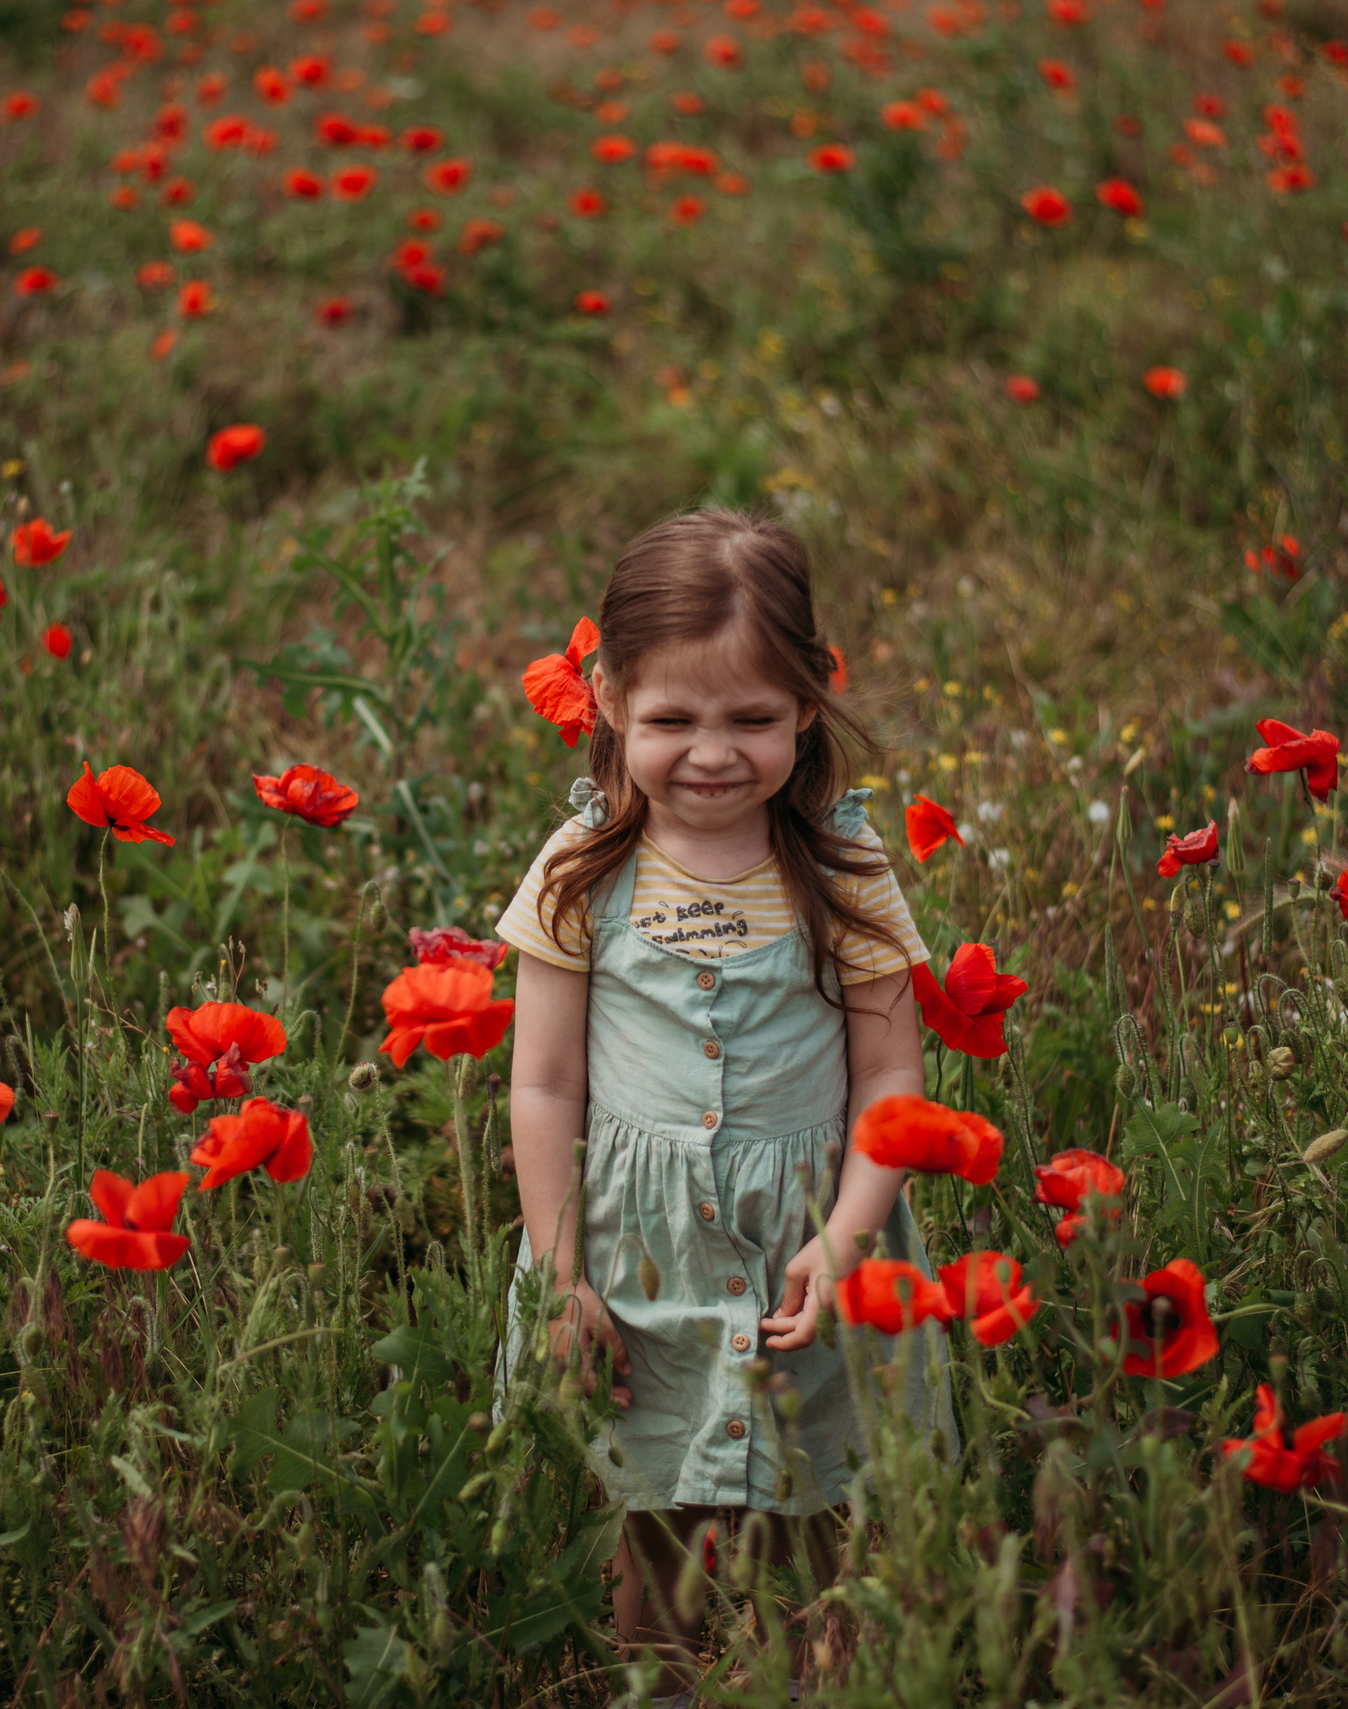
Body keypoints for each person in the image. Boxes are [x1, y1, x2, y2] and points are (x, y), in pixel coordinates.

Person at [496, 509, 955, 1706]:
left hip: (809, 1241)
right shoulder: (582, 869)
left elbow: (891, 1079)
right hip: (632, 1254)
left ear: (807, 702)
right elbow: (542, 1083)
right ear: (606, 697)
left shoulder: (843, 868)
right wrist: (559, 1272)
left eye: (751, 717)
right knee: (651, 1514)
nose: (711, 752)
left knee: (816, 1522)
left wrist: (847, 1236)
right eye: (672, 720)